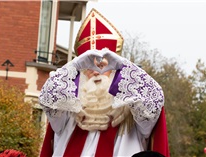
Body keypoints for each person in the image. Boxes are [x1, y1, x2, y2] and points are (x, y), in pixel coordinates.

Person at [39, 8, 170, 157]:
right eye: (89, 66)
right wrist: (74, 65)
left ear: (114, 70)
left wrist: (125, 67)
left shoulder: (133, 111)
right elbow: (47, 99)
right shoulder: (69, 109)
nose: (96, 72)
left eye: (103, 66)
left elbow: (155, 100)